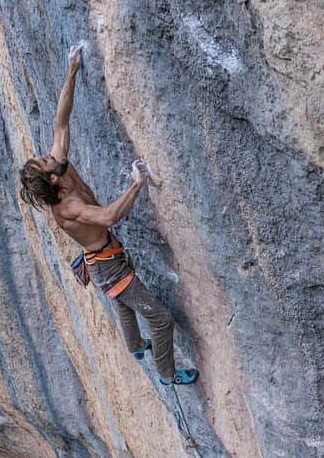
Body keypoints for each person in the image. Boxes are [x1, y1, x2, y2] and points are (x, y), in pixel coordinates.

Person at [19, 44, 199, 388]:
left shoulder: (59, 166)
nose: (47, 153)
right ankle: (167, 374)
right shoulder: (68, 207)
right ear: (52, 179)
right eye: (44, 161)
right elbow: (108, 217)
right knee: (160, 319)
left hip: (102, 258)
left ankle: (134, 346)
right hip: (107, 265)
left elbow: (60, 122)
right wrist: (137, 183)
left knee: (124, 300)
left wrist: (71, 70)